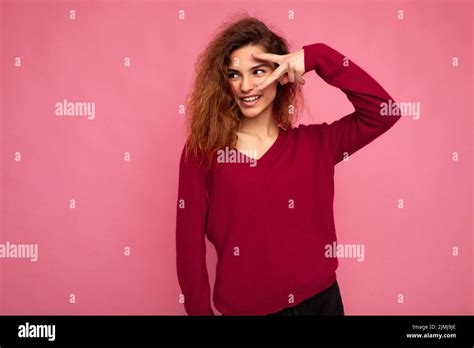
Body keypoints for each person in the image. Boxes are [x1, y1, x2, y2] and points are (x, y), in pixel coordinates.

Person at [175, 14, 401, 316]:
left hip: (324, 304)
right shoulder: (202, 154)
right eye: (234, 74)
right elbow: (189, 249)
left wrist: (318, 56)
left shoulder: (316, 144)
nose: (246, 85)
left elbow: (384, 112)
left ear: (281, 74)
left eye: (258, 71)